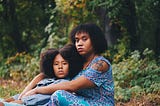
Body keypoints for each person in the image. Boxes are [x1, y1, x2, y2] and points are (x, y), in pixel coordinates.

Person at [20, 23, 115, 106]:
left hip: (100, 104)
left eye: (84, 39)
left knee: (59, 95)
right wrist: (26, 91)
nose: (79, 43)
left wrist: (37, 90)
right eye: (77, 40)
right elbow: (45, 75)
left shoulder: (100, 64)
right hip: (80, 100)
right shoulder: (80, 62)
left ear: (95, 40)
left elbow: (72, 86)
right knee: (51, 91)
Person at [0, 44, 83, 106]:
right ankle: (4, 102)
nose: (60, 67)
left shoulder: (66, 83)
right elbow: (40, 76)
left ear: (71, 65)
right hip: (25, 98)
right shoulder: (47, 79)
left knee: (40, 97)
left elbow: (37, 98)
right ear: (51, 66)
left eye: (64, 63)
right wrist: (25, 91)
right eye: (56, 64)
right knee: (15, 97)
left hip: (31, 102)